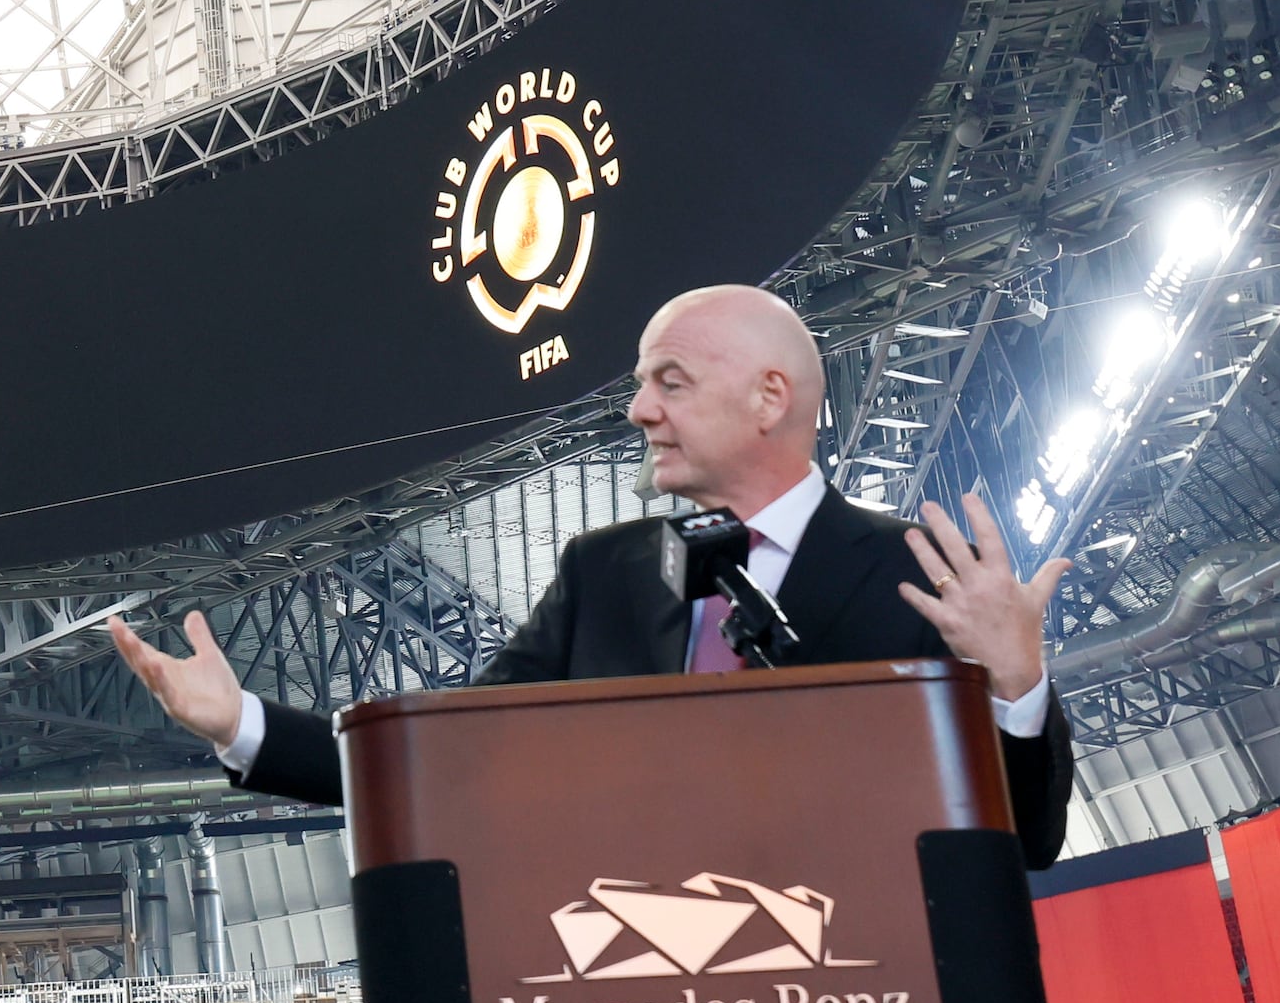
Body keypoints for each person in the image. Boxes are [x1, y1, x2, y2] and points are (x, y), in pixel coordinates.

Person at [109, 282, 1074, 866]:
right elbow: (449, 763)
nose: (637, 412)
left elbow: (1025, 843)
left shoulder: (921, 574)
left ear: (768, 397)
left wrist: (1018, 688)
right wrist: (243, 724)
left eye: (670, 381)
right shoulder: (603, 575)